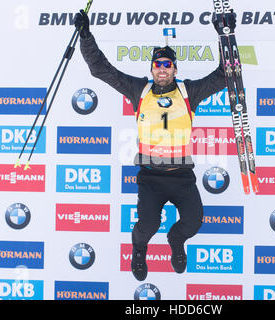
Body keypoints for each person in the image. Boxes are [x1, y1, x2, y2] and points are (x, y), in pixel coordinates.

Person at [74, 10, 233, 281]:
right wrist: (85, 35)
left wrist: (224, 37)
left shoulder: (188, 92)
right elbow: (100, 69)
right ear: (151, 69)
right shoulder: (139, 90)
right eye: (157, 64)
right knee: (147, 226)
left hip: (182, 178)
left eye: (167, 64)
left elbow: (223, 75)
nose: (162, 68)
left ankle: (176, 239)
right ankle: (138, 249)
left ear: (174, 69)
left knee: (193, 223)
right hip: (150, 177)